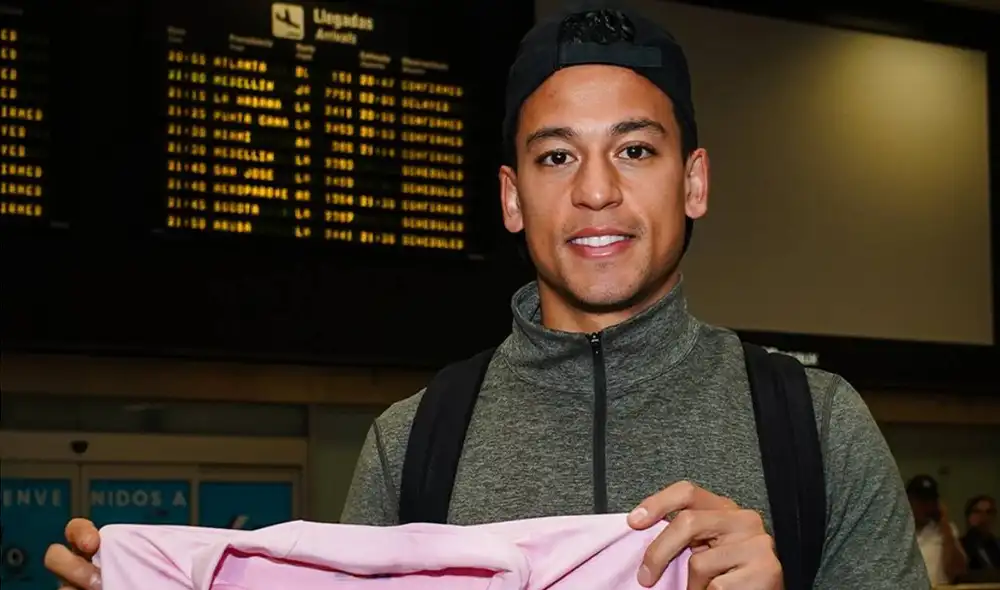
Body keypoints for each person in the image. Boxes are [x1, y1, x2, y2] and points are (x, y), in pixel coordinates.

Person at [44, 3, 929, 589]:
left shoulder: (813, 426)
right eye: (555, 156)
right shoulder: (416, 439)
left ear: (693, 182)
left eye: (634, 150)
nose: (594, 192)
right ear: (511, 197)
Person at [907, 474, 967, 585]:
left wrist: (944, 525)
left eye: (931, 500)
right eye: (921, 501)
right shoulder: (896, 531)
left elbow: (956, 571)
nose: (926, 506)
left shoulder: (947, 530)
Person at [961, 494, 1000, 572]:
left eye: (989, 512)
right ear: (968, 517)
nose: (983, 517)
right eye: (977, 512)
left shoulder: (997, 546)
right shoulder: (960, 547)